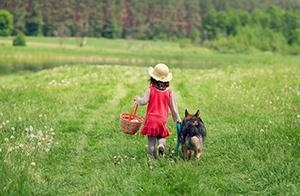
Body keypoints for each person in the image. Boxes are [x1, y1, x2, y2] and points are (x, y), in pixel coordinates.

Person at [135, 63, 181, 157]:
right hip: (162, 120)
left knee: (151, 141)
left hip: (151, 120)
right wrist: (177, 119)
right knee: (161, 137)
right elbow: (173, 108)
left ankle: (151, 158)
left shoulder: (150, 89)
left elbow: (144, 101)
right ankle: (161, 145)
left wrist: (138, 100)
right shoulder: (169, 92)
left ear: (153, 78)